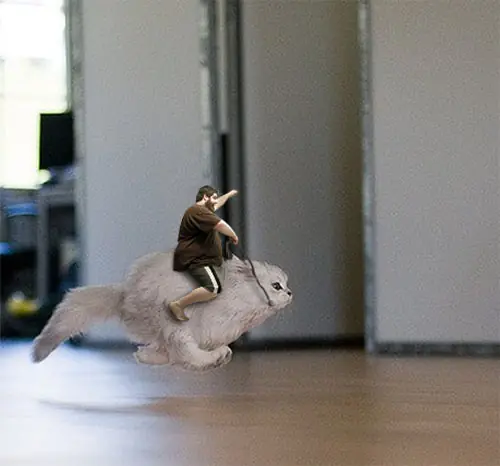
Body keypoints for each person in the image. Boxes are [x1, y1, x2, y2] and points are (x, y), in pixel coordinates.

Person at [168, 185, 239, 321]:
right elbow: (220, 225)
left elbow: (217, 204)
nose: (215, 201)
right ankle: (178, 305)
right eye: (213, 197)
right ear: (205, 197)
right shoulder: (198, 211)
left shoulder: (203, 211)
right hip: (196, 259)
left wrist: (229, 194)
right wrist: (233, 235)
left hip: (204, 259)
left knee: (218, 286)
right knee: (213, 288)